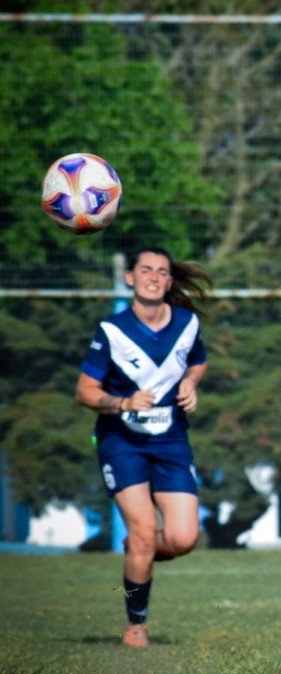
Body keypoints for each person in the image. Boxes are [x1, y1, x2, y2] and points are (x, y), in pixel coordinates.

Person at [75, 246, 211, 648]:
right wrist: (121, 403)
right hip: (122, 441)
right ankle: (136, 623)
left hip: (171, 441)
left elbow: (198, 361)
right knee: (143, 531)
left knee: (184, 538)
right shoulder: (112, 332)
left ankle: (141, 549)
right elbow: (85, 391)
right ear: (130, 278)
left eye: (162, 272)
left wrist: (190, 382)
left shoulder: (187, 323)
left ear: (170, 281)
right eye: (145, 270)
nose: (154, 277)